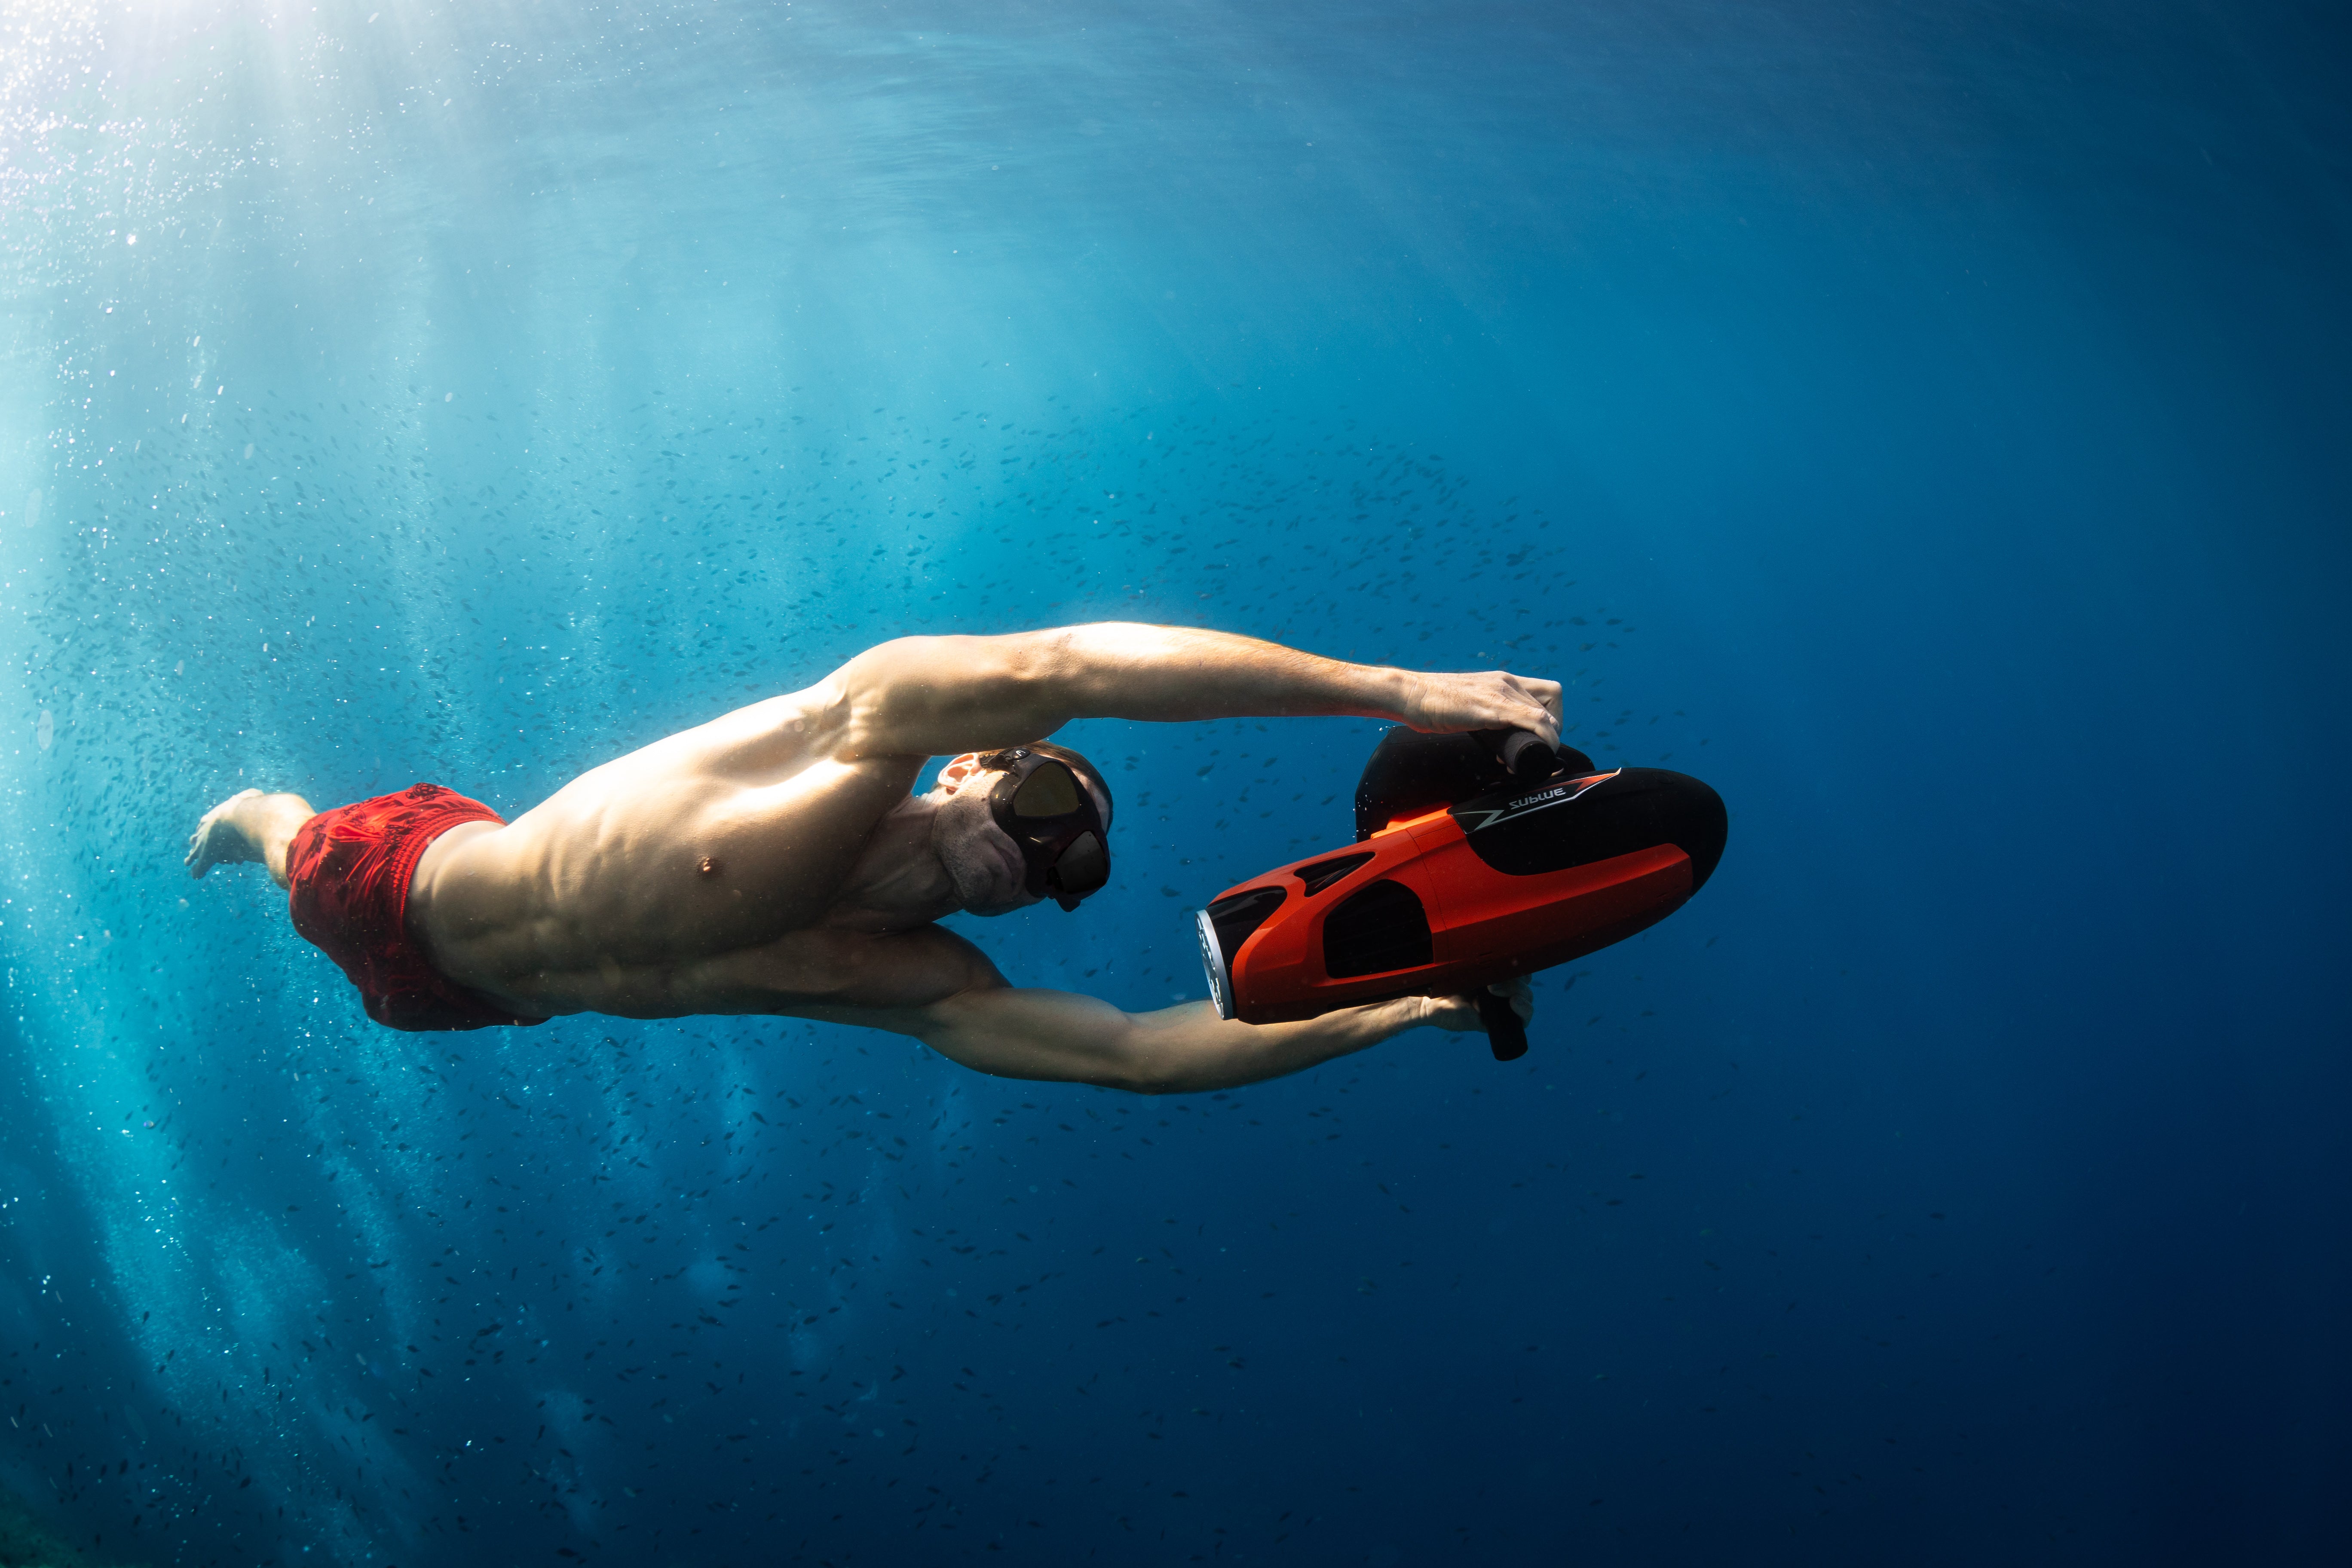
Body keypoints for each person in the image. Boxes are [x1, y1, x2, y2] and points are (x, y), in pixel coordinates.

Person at [185, 624, 1560, 1093]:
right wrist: (1404, 693)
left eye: (1068, 869)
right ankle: (254, 804)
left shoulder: (920, 975)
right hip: (404, 873)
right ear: (975, 758)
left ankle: (268, 824)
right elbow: (1064, 665)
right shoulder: (868, 724)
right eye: (1041, 801)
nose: (1045, 856)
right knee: (281, 843)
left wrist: (1402, 1004)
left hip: (468, 1003)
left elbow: (1139, 1058)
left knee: (348, 964)